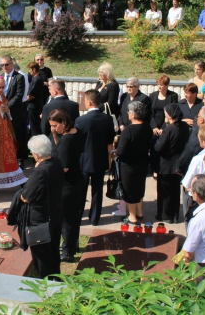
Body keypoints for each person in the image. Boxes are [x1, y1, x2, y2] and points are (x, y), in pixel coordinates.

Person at [21, 135, 64, 279]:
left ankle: (47, 286)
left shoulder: (39, 172)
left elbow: (26, 197)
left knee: (42, 259)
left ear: (36, 154)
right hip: (55, 214)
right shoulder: (57, 163)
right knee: (53, 254)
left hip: (41, 220)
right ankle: (56, 281)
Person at [75, 89, 115, 226]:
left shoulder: (80, 120)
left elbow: (76, 142)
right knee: (97, 191)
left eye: (85, 101)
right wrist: (110, 162)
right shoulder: (108, 119)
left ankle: (78, 216)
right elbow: (110, 143)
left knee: (81, 191)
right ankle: (95, 218)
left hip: (83, 161)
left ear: (89, 102)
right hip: (100, 159)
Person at [48, 109, 82, 262]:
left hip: (66, 184)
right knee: (73, 217)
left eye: (55, 126)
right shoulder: (76, 133)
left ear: (63, 122)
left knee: (66, 220)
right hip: (76, 180)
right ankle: (72, 245)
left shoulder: (67, 140)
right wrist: (56, 135)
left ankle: (67, 252)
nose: (53, 129)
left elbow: (64, 167)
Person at [113, 101, 153, 220]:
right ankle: (140, 212)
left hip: (128, 165)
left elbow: (120, 151)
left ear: (133, 114)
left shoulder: (128, 130)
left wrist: (113, 153)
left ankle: (132, 216)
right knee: (139, 188)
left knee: (129, 190)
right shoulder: (147, 127)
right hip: (143, 162)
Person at [154, 104, 188, 223]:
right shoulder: (184, 126)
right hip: (178, 164)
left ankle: (164, 215)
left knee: (164, 192)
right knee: (175, 192)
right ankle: (174, 215)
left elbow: (159, 147)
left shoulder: (169, 129)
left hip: (166, 165)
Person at [149, 74, 179, 175]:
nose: (160, 87)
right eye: (158, 84)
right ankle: (154, 168)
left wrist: (163, 128)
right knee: (153, 147)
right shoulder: (153, 95)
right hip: (154, 126)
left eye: (162, 85)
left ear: (167, 85)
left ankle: (161, 168)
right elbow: (150, 113)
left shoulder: (173, 96)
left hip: (166, 125)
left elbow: (172, 112)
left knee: (163, 147)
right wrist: (154, 127)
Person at [2, 55, 27, 167]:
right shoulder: (0, 78)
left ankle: (20, 158)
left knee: (17, 135)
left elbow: (18, 95)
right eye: (2, 65)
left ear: (12, 64)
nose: (4, 67)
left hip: (14, 112)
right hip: (3, 112)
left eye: (6, 64)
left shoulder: (19, 77)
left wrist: (8, 106)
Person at [26, 62, 44, 137]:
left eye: (30, 69)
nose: (29, 71)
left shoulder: (37, 80)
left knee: (34, 126)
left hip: (34, 106)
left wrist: (23, 100)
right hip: (34, 105)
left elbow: (31, 96)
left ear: (34, 69)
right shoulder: (35, 79)